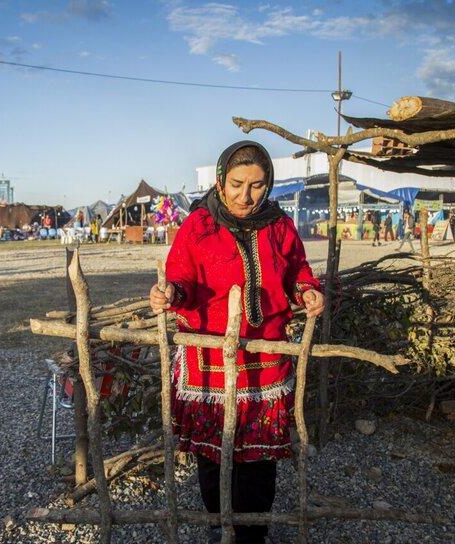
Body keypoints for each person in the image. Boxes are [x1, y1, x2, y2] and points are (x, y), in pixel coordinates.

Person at [149, 141, 324, 544]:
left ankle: (254, 534)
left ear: (269, 185)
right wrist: (170, 294)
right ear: (219, 181)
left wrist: (307, 291)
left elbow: (297, 269)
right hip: (210, 359)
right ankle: (219, 525)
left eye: (258, 186)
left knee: (261, 457)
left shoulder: (280, 225)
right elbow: (182, 279)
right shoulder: (198, 226)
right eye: (237, 184)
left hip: (265, 360)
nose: (246, 196)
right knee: (213, 455)